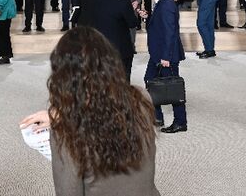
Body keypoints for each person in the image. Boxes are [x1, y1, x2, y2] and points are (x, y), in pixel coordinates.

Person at [19, 27, 159, 196]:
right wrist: (61, 116)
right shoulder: (141, 98)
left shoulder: (66, 130)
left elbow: (68, 191)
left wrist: (62, 120)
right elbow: (103, 109)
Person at [145, 0, 187, 133]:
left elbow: (170, 33)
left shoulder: (166, 4)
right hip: (158, 53)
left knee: (173, 87)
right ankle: (157, 117)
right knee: (150, 80)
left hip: (166, 55)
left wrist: (166, 57)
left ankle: (180, 121)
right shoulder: (163, 2)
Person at [88, 0, 139, 79]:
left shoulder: (94, 0)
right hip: (120, 51)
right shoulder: (124, 3)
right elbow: (132, 23)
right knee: (122, 81)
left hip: (99, 48)